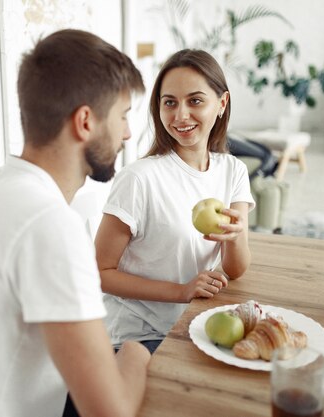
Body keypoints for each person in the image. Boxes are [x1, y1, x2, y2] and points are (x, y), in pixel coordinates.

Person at [0, 29, 150, 417]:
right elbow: (111, 412)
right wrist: (136, 352)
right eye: (123, 116)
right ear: (85, 122)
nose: (127, 132)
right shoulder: (51, 225)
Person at [94, 49, 255, 354]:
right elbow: (100, 273)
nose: (181, 115)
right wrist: (181, 291)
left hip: (194, 322)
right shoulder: (139, 178)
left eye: (195, 101)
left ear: (221, 104)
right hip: (138, 334)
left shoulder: (233, 171)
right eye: (170, 103)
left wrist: (233, 238)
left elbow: (235, 270)